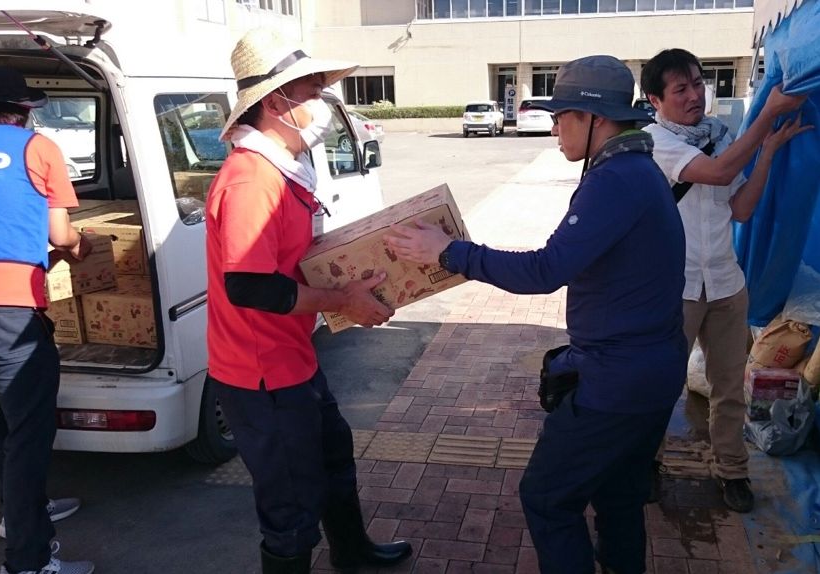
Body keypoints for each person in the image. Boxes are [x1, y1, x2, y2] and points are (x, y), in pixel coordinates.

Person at [385, 55, 687, 574]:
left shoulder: (617, 180)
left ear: (594, 118)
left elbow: (546, 270)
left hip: (619, 382)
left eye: (560, 115)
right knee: (617, 496)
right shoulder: (636, 169)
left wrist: (450, 251)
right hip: (650, 371)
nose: (553, 129)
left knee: (547, 497)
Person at [205, 28, 412, 573]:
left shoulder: (282, 167)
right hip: (261, 374)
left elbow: (289, 258)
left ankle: (354, 554)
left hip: (291, 360)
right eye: (314, 89)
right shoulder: (251, 178)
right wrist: (343, 298)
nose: (324, 102)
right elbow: (248, 285)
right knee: (291, 503)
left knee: (333, 460)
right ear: (277, 102)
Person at [641, 48, 812, 513]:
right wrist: (769, 115)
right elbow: (717, 173)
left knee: (730, 387)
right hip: (675, 288)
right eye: (681, 89)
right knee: (661, 385)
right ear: (655, 99)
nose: (695, 95)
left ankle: (732, 471)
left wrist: (768, 152)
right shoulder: (655, 143)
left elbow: (741, 208)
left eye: (698, 83)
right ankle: (646, 464)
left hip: (725, 284)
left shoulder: (721, 134)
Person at [0, 66, 93, 574]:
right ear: (25, 111)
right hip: (11, 314)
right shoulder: (38, 149)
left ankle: (20, 514)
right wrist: (85, 247)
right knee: (30, 436)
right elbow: (61, 236)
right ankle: (29, 562)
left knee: (0, 426)